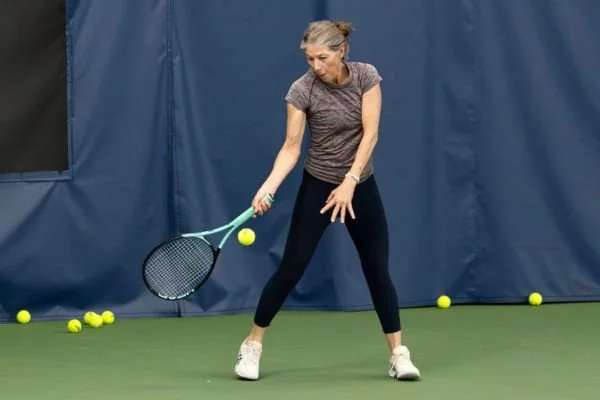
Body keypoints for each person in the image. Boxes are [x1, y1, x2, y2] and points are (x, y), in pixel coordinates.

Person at [233, 20, 421, 381]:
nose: (316, 66)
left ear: (342, 51)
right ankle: (252, 345)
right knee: (291, 268)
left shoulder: (366, 76)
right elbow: (291, 147)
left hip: (359, 184)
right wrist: (268, 187)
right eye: (309, 59)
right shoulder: (301, 90)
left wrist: (350, 180)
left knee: (377, 270)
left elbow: (371, 134)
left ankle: (399, 354)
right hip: (318, 184)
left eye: (322, 58)